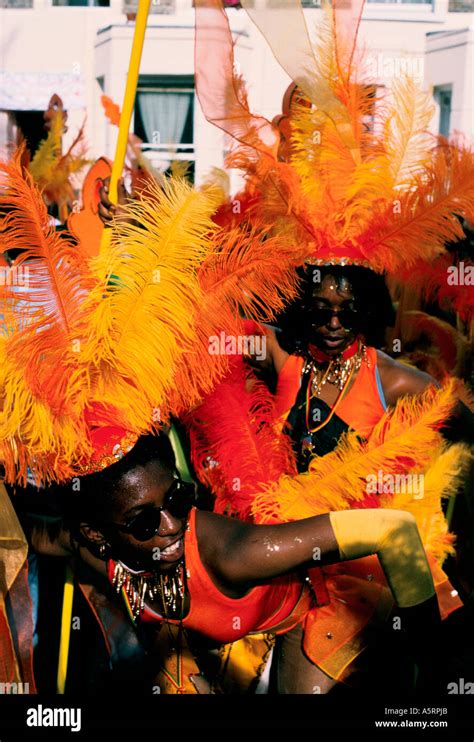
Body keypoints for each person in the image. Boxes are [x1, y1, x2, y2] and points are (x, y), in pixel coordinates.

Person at [28, 430, 442, 694]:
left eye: (176, 498)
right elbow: (26, 529)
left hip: (302, 623)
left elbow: (393, 530)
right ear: (96, 535)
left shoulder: (236, 552)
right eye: (143, 521)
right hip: (205, 646)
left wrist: (431, 662)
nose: (172, 526)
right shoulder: (86, 547)